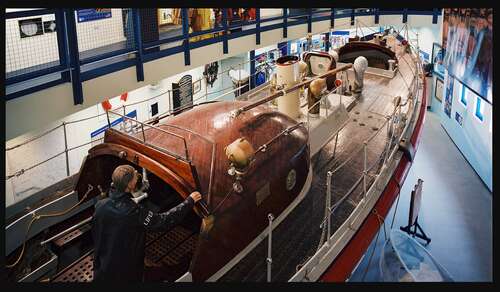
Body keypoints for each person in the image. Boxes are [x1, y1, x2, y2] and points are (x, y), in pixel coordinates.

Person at [92, 164, 202, 282]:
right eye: (135, 177)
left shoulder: (100, 205)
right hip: (126, 271)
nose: (137, 177)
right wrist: (189, 202)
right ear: (130, 185)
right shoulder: (133, 212)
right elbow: (162, 221)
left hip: (103, 264)